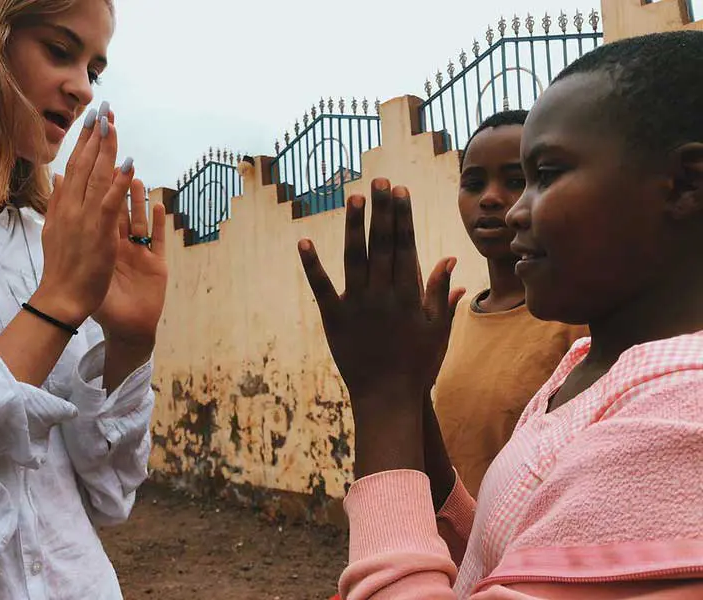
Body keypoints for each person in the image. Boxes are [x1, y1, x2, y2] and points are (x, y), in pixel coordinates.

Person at [300, 30, 703, 599]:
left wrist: (384, 398)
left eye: (544, 175)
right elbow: (510, 553)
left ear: (686, 183)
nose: (511, 209)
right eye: (479, 182)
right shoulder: (591, 365)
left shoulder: (681, 414)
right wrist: (410, 392)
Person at [0, 0, 168, 598]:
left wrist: (129, 342)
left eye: (94, 71)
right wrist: (52, 309)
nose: (80, 88)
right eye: (58, 50)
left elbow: (107, 492)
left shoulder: (47, 243)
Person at [434, 110, 587, 497]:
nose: (489, 198)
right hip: (455, 547)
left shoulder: (578, 321)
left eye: (516, 180)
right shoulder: (453, 319)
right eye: (473, 182)